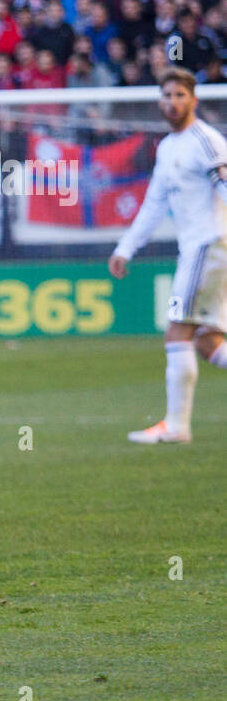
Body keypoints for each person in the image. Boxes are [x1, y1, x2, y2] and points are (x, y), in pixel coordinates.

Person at [109, 67, 227, 443]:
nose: (173, 103)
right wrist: (125, 248)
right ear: (159, 100)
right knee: (207, 341)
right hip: (200, 249)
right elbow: (153, 204)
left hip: (208, 245)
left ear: (194, 99)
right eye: (167, 95)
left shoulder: (207, 141)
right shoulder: (167, 147)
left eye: (180, 95)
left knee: (177, 329)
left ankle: (176, 427)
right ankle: (176, 426)